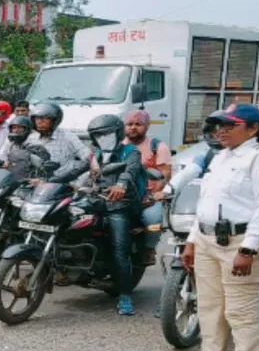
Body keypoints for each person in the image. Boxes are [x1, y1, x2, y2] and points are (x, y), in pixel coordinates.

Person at [174, 104, 259, 351]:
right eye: (217, 125)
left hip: (242, 241)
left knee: (241, 311)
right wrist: (192, 241)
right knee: (210, 306)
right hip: (208, 239)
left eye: (229, 125)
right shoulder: (220, 157)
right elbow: (206, 204)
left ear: (253, 129)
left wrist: (249, 249)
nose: (220, 131)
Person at [86, 114, 145, 317]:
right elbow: (78, 170)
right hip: (96, 201)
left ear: (118, 133)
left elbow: (131, 171)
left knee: (120, 249)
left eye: (107, 134)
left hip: (119, 204)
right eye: (98, 135)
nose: (103, 138)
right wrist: (53, 181)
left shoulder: (131, 152)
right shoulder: (95, 155)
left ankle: (125, 295)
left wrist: (121, 185)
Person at [124, 110, 173, 265]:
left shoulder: (157, 146)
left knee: (153, 220)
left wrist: (152, 195)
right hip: (122, 195)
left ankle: (149, 248)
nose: (133, 127)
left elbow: (165, 174)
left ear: (147, 127)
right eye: (130, 124)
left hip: (148, 197)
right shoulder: (118, 145)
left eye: (138, 124)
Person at [167, 115, 227, 193]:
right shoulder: (208, 154)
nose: (217, 135)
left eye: (223, 131)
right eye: (214, 132)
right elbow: (191, 170)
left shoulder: (239, 157)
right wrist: (169, 188)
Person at [27, 102, 91, 166]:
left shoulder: (68, 137)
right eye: (37, 118)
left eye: (45, 118)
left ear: (54, 120)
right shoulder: (30, 139)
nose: (39, 122)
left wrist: (93, 162)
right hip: (38, 172)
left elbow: (85, 153)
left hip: (63, 171)